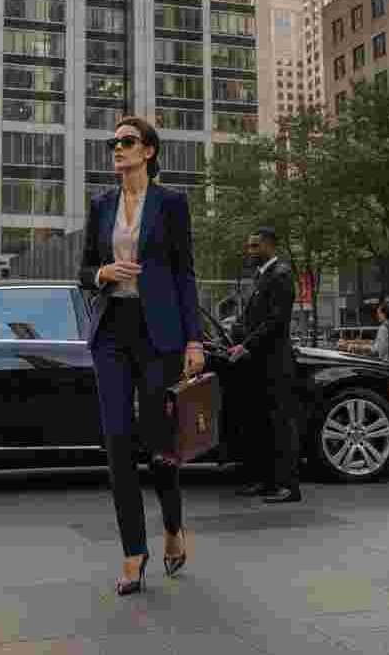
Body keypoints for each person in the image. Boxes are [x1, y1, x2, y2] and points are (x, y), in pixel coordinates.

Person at [78, 115, 205, 596]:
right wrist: (104, 272)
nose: (117, 148)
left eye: (127, 142)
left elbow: (185, 274)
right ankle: (133, 552)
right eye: (113, 142)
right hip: (112, 329)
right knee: (116, 443)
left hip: (159, 334)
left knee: (158, 441)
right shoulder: (101, 205)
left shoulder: (171, 204)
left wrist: (194, 340)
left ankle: (172, 525)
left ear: (149, 150)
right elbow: (84, 271)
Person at [227, 228, 302, 504]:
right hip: (260, 363)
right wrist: (238, 337)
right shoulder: (261, 277)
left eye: (255, 246)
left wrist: (246, 345)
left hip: (275, 364)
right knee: (262, 425)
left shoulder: (280, 275)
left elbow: (275, 321)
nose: (249, 251)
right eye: (249, 246)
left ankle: (288, 486)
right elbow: (254, 320)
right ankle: (265, 481)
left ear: (270, 246)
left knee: (281, 425)